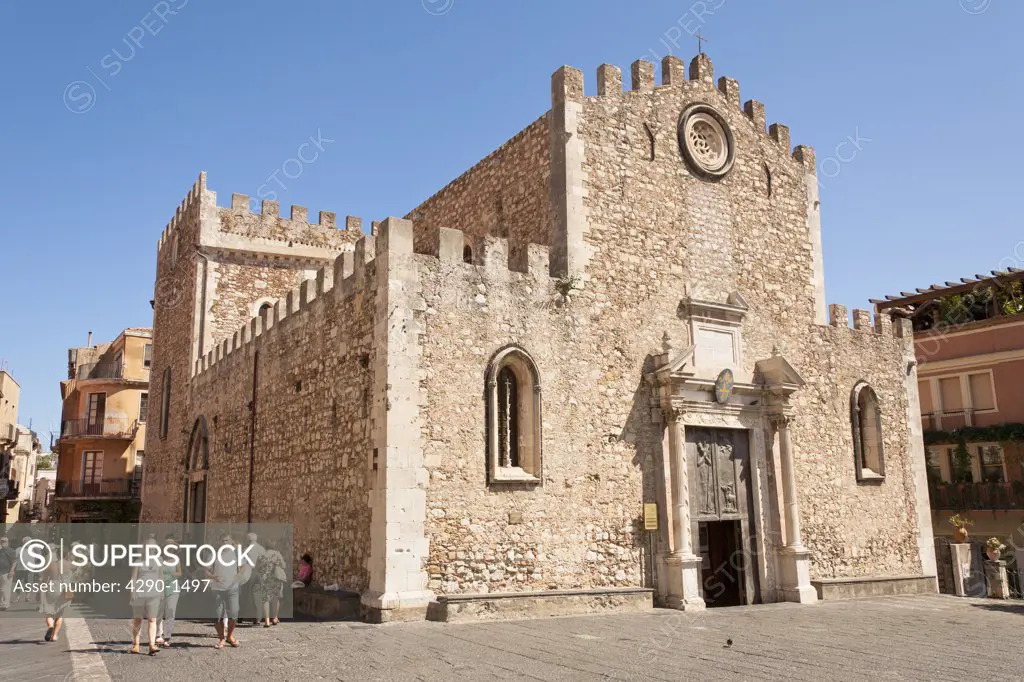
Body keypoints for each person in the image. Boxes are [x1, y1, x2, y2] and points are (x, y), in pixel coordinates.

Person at [206, 533, 246, 649]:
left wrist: (238, 576)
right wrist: (213, 577)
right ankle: (221, 639)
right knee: (218, 615)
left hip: (232, 588)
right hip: (217, 589)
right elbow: (206, 570)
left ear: (231, 541)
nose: (224, 543)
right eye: (222, 540)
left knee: (234, 614)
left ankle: (230, 636)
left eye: (226, 540)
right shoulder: (214, 554)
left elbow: (243, 567)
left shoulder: (236, 553)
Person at [129, 535, 162, 655]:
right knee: (138, 619)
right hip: (140, 592)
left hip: (154, 594)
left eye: (153, 547)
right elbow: (133, 578)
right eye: (149, 547)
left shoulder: (159, 561)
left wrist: (161, 591)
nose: (151, 550)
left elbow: (161, 577)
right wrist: (132, 591)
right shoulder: (138, 561)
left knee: (152, 619)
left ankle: (152, 645)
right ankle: (136, 644)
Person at [39, 544, 73, 643]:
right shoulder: (69, 565)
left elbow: (45, 580)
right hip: (64, 589)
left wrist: (39, 591)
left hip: (52, 587)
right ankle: (54, 635)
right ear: (67, 555)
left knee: (49, 612)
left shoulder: (51, 565)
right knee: (59, 614)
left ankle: (50, 626)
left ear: (57, 555)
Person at [253, 539, 287, 627]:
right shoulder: (277, 554)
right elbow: (284, 565)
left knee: (265, 600)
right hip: (275, 579)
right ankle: (275, 617)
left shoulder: (261, 556)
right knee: (276, 598)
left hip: (264, 579)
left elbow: (257, 568)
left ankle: (266, 620)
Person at [156, 534, 181, 648]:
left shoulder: (176, 559)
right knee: (159, 613)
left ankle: (167, 637)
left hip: (173, 589)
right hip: (160, 588)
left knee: (170, 613)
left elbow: (180, 573)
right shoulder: (159, 559)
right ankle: (158, 635)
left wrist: (172, 574)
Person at [240, 532, 265, 625]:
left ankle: (240, 616)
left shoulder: (245, 550)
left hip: (248, 573)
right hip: (258, 573)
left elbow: (241, 562)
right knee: (257, 596)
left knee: (245, 595)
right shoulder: (261, 549)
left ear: (248, 539)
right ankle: (258, 618)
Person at [0, 536, 16, 611]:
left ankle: (5, 604)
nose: (3, 543)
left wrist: (12, 570)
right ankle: (2, 603)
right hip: (1, 571)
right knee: (1, 589)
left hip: (6, 572)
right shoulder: (1, 550)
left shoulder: (10, 551)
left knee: (5, 589)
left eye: (4, 541)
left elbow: (14, 561)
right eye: (2, 541)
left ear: (8, 542)